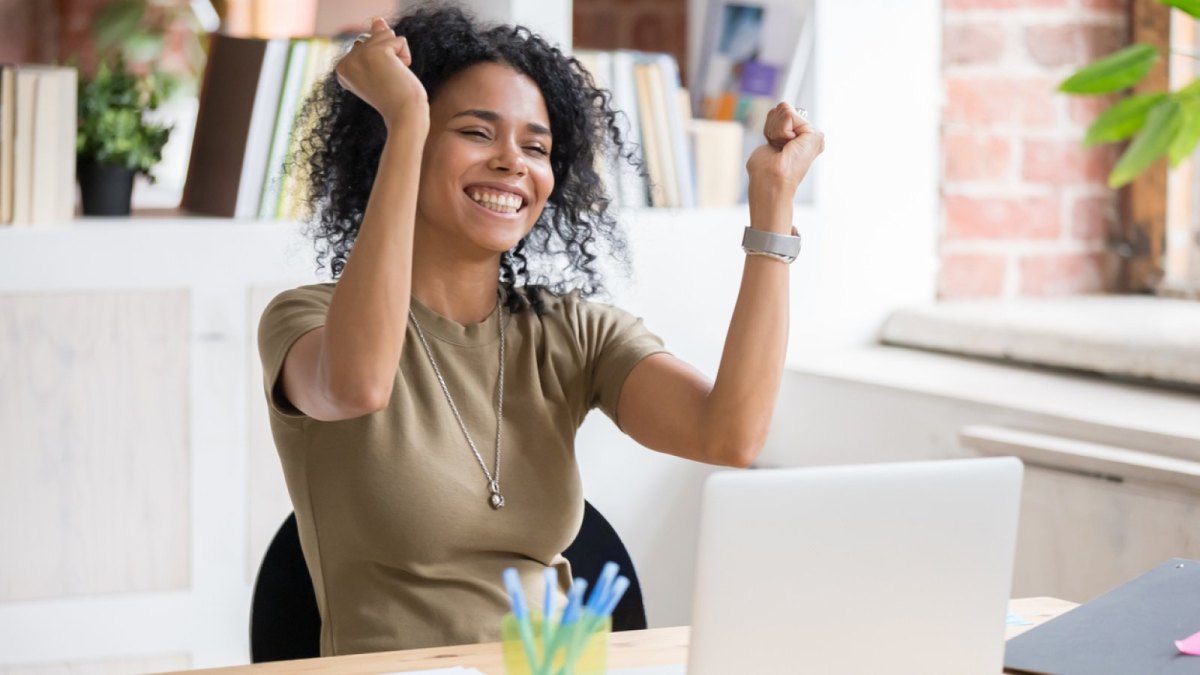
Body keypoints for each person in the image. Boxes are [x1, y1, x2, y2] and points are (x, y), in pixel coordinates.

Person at [257, 4, 823, 658]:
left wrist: (773, 209)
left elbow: (731, 434)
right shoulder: (305, 319)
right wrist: (406, 117)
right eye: (476, 132)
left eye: (536, 146)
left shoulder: (568, 330)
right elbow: (357, 384)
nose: (512, 163)